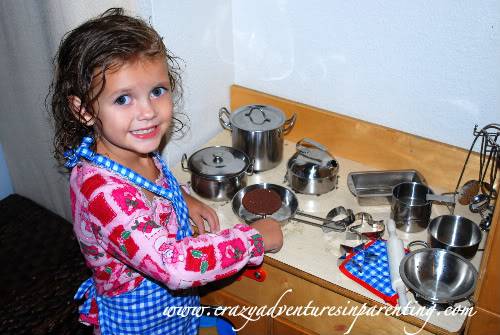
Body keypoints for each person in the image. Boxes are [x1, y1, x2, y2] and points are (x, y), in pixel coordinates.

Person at [48, 8, 283, 335]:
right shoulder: (102, 193)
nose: (148, 112)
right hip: (139, 326)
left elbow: (156, 181)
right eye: (123, 99)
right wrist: (255, 238)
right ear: (84, 109)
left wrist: (183, 198)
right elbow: (173, 265)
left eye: (157, 91)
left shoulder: (134, 146)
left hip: (175, 315)